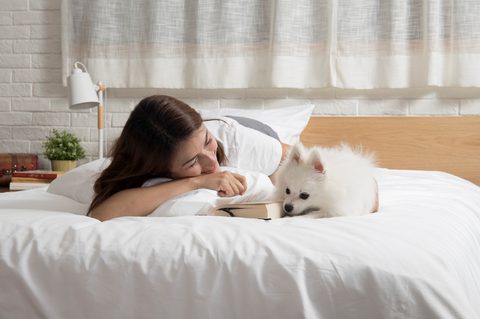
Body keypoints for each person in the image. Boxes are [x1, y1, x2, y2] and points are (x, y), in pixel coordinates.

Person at [89, 95, 290, 221]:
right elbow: (102, 214)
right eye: (192, 162)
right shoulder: (147, 167)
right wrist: (197, 182)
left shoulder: (236, 140)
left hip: (255, 132)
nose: (211, 162)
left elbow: (302, 165)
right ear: (159, 169)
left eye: (207, 142)